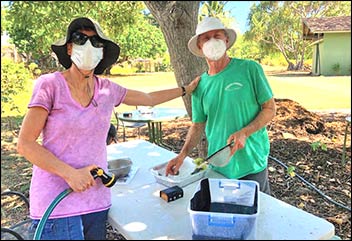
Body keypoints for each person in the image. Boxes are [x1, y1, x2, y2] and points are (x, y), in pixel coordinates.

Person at [16, 17, 200, 240]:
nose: (88, 46)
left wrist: (185, 89)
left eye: (96, 42)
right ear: (69, 47)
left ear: (102, 53)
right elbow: (25, 144)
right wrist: (69, 174)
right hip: (57, 206)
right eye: (80, 39)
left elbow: (148, 98)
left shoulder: (107, 89)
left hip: (96, 201)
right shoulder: (50, 85)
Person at [165, 17, 276, 195]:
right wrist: (182, 155)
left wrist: (245, 132)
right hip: (220, 166)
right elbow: (198, 124)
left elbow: (270, 109)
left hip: (251, 163)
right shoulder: (199, 85)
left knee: (256, 215)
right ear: (200, 47)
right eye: (206, 38)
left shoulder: (250, 69)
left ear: (226, 40)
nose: (212, 41)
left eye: (217, 36)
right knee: (225, 215)